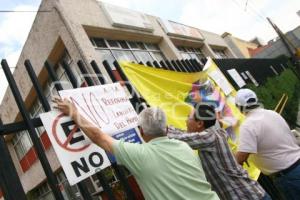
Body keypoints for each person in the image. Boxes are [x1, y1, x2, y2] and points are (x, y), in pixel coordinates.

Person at [53, 97, 219, 200]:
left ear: (141, 131)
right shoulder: (185, 147)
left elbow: (99, 137)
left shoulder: (140, 155)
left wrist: (74, 113)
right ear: (167, 129)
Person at [168, 103, 270, 200]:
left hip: (247, 196)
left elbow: (179, 138)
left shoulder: (210, 137)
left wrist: (159, 127)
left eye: (188, 117)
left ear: (199, 123)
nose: (186, 121)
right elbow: (185, 134)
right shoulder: (214, 134)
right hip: (252, 194)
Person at [235, 88, 300, 200]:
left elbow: (240, 158)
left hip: (288, 176)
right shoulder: (273, 114)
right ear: (256, 100)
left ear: (239, 107)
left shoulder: (248, 125)